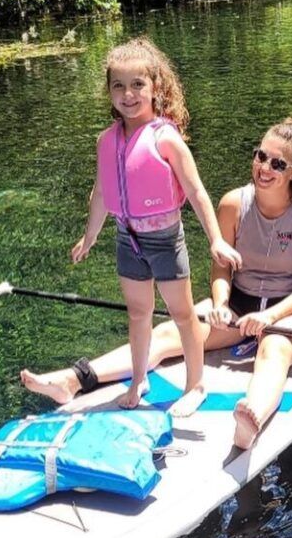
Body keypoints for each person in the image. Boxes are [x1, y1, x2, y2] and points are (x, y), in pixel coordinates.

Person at [21, 115, 292, 449]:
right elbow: (221, 270)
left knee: (274, 348)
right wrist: (221, 304)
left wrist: (270, 318)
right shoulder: (232, 204)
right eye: (260, 156)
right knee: (170, 331)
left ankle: (250, 417)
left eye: (277, 163)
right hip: (241, 303)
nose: (264, 167)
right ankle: (74, 379)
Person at [29, 36, 240, 417]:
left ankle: (196, 385)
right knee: (138, 313)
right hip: (128, 239)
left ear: (155, 88)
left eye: (137, 85)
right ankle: (139, 378)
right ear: (109, 92)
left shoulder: (166, 138)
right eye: (119, 86)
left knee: (183, 314)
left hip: (164, 239)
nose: (128, 94)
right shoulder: (106, 140)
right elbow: (101, 192)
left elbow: (196, 192)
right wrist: (89, 235)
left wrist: (217, 241)